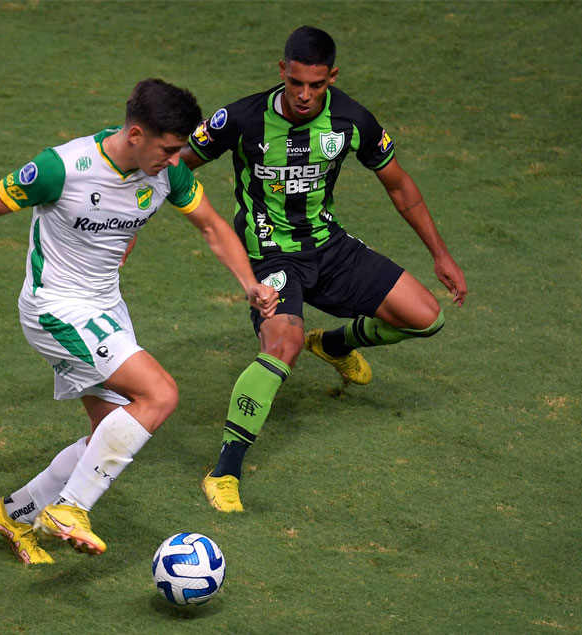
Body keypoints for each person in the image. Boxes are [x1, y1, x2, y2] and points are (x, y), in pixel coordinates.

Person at [0, 79, 278, 563]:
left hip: (107, 309)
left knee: (108, 434)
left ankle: (13, 513)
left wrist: (248, 283)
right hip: (56, 308)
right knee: (161, 394)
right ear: (136, 135)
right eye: (169, 149)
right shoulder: (62, 168)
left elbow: (213, 226)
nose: (177, 162)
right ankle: (70, 507)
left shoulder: (166, 174)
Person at [181, 26, 467, 512]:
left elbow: (400, 187)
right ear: (282, 72)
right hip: (269, 254)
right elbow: (175, 164)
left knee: (426, 317)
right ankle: (225, 469)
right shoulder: (242, 117)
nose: (305, 95)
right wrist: (139, 224)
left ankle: (334, 343)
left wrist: (440, 253)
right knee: (283, 345)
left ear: (332, 77)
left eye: (316, 85)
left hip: (327, 246)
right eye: (296, 83)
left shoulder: (353, 120)